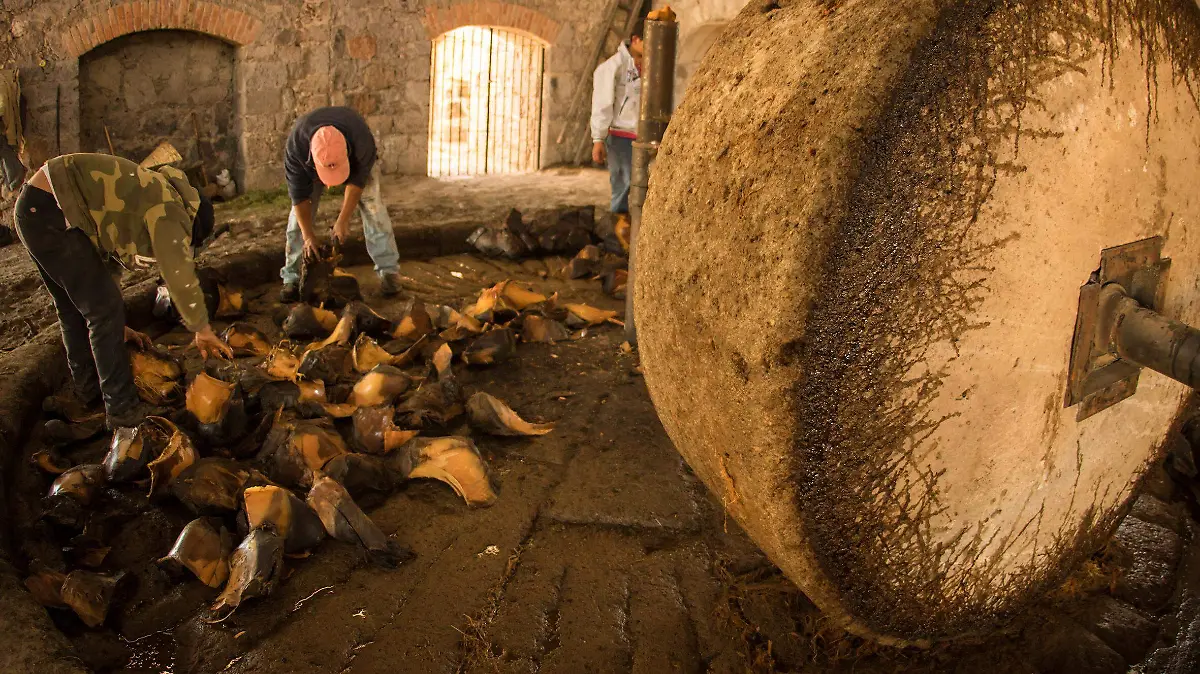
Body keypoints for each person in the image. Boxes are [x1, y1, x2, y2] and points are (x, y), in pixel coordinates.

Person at [13, 153, 233, 429]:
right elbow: (177, 273)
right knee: (102, 311)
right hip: (52, 212)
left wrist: (121, 326)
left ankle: (88, 393)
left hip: (35, 209)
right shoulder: (171, 209)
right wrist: (202, 329)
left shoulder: (149, 193)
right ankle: (121, 410)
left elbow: (106, 259)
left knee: (74, 309)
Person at [280, 107, 403, 301]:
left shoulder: (361, 140)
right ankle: (292, 278)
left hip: (356, 158)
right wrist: (308, 236)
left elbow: (357, 183)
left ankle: (389, 273)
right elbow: (300, 199)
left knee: (374, 210)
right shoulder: (296, 149)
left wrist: (343, 220)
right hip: (308, 165)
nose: (330, 185)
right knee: (297, 222)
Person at [590, 19, 644, 219]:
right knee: (624, 184)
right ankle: (617, 232)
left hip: (641, 135)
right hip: (620, 135)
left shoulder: (650, 66)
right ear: (636, 39)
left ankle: (632, 231)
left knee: (640, 184)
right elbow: (602, 104)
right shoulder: (612, 67)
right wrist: (598, 139)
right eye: (648, 42)